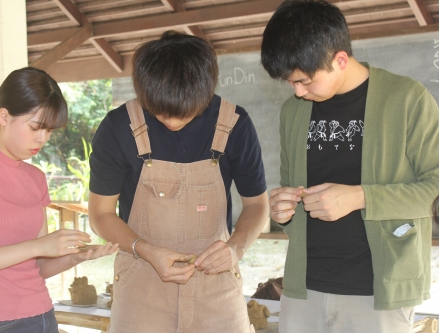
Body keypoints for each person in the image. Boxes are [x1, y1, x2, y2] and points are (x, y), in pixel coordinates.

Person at [260, 1, 439, 332]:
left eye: (305, 81)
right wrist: (283, 210)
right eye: (290, 82)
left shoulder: (407, 99)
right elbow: (290, 191)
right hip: (302, 290)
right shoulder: (293, 112)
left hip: (378, 293)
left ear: (340, 60)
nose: (297, 92)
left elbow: (435, 189)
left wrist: (360, 197)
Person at [88, 31, 269, 333]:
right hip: (142, 282)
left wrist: (235, 248)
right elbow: (100, 214)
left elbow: (257, 204)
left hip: (216, 287)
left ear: (206, 91)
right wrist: (145, 249)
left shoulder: (235, 123)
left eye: (184, 111)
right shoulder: (117, 128)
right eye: (159, 110)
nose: (171, 121)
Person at [0, 67, 119, 333]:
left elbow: (37, 267)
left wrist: (77, 257)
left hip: (43, 316)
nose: (42, 139)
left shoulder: (35, 177)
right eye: (35, 127)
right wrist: (37, 246)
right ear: (4, 116)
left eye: (49, 131)